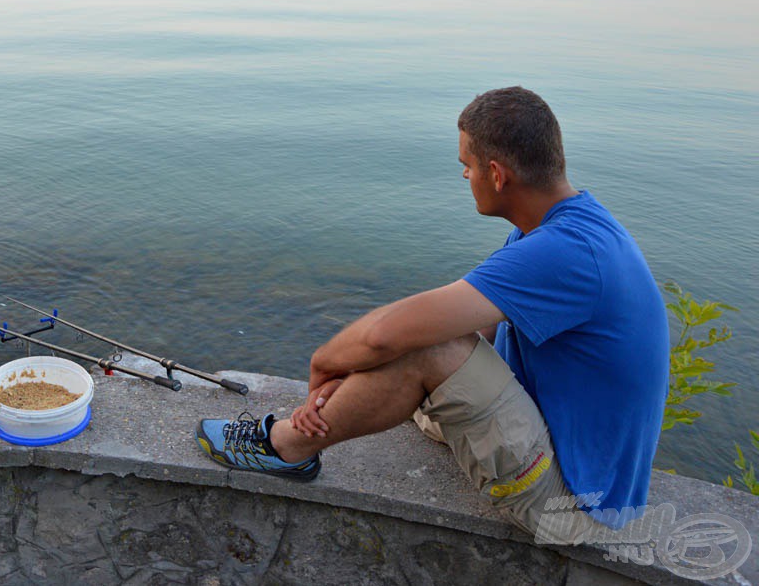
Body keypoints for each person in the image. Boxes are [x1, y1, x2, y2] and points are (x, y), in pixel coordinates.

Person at [195, 86, 669, 541]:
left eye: (467, 166)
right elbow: (467, 324)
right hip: (560, 441)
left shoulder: (564, 252)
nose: (465, 177)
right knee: (421, 339)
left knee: (425, 346)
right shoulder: (568, 226)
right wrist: (363, 370)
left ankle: (287, 448)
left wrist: (325, 365)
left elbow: (385, 334)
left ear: (497, 174)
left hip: (575, 507)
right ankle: (346, 410)